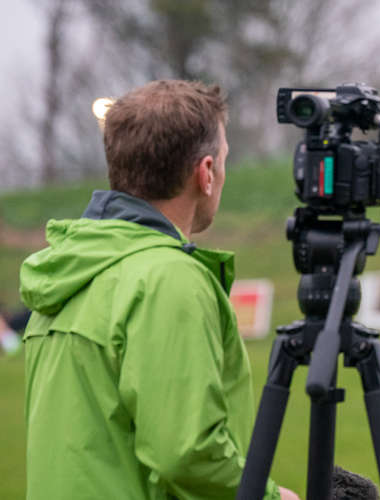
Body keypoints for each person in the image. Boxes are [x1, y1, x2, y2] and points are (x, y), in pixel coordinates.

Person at [20, 80, 299, 500]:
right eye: (223, 160)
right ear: (205, 173)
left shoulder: (66, 268)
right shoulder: (169, 279)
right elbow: (184, 452)